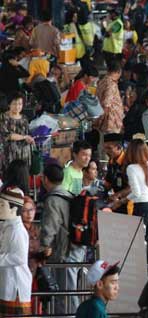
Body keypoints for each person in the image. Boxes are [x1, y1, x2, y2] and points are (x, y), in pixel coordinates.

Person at [39, 163, 83, 314]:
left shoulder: (53, 200)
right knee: (69, 290)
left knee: (66, 293)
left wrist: (44, 247)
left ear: (45, 179)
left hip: (65, 252)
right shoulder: (68, 194)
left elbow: (50, 227)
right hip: (77, 248)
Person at [0, 189, 32, 316]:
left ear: (13, 209)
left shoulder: (17, 230)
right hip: (8, 282)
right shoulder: (7, 226)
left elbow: (19, 257)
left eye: (2, 205)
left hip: (16, 286)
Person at [125, 138, 148, 237]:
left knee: (137, 238)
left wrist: (124, 200)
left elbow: (137, 193)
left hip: (142, 206)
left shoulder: (131, 168)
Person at [0, 93, 34, 175]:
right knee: (10, 178)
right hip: (10, 155)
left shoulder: (25, 118)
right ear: (9, 104)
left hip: (24, 155)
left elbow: (28, 134)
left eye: (20, 104)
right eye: (14, 103)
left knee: (23, 177)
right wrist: (25, 137)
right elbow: (8, 135)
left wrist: (31, 140)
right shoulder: (3, 117)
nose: (17, 106)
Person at [103, 133, 131, 214]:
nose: (106, 151)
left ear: (119, 147)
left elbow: (132, 188)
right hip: (116, 201)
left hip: (129, 202)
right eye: (105, 148)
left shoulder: (128, 162)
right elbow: (108, 182)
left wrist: (117, 195)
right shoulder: (111, 161)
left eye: (109, 148)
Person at [95, 60, 124, 134]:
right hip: (111, 121)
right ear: (118, 72)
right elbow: (106, 105)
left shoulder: (102, 81)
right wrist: (101, 120)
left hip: (104, 118)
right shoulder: (111, 84)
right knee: (111, 143)